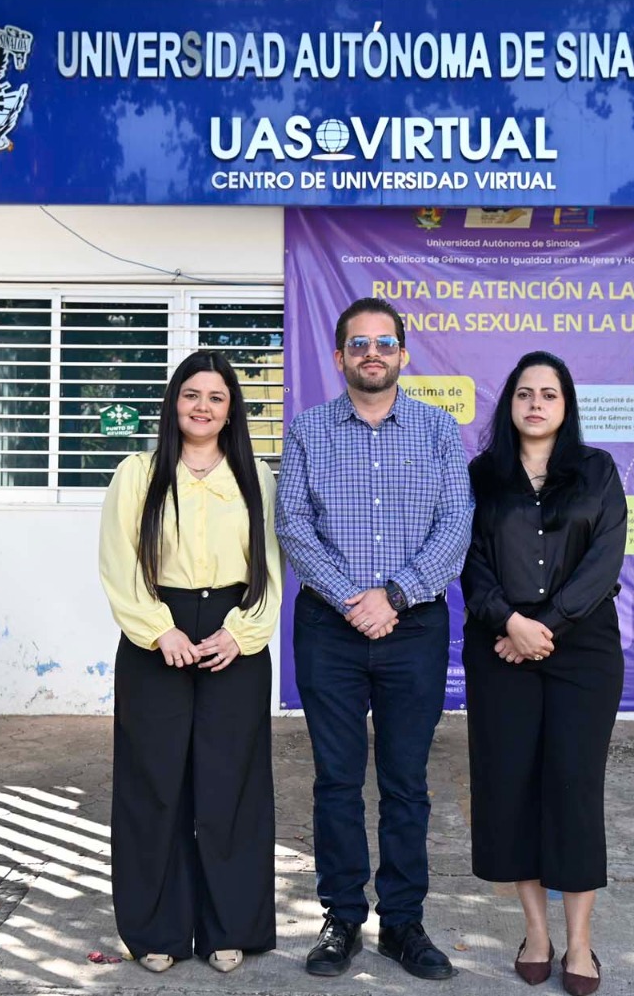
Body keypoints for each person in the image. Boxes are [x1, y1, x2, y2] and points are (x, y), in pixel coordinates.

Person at [276, 297, 473, 981]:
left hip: (413, 626)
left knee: (405, 782)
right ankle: (341, 918)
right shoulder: (308, 430)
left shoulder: (438, 429)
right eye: (358, 343)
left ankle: (403, 923)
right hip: (329, 630)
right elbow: (293, 524)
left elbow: (456, 523)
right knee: (335, 780)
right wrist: (353, 601)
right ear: (339, 357)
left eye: (384, 343)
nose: (372, 353)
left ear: (402, 355)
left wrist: (393, 595)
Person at [98, 350, 282, 975]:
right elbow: (119, 561)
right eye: (191, 395)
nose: (203, 407)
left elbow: (271, 566)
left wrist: (242, 633)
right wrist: (158, 631)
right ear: (174, 402)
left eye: (216, 397)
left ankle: (231, 926)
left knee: (232, 783)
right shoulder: (138, 474)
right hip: (158, 634)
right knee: (155, 784)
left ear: (232, 410)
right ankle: (157, 929)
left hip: (233, 635)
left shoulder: (255, 477)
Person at [459, 352, 629, 996]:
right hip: (499, 650)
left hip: (582, 650)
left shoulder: (597, 470)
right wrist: (509, 623)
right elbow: (468, 559)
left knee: (573, 788)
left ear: (566, 405)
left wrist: (541, 627)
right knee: (511, 789)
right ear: (509, 404)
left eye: (549, 394)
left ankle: (580, 942)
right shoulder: (482, 476)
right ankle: (535, 933)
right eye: (525, 393)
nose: (536, 404)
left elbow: (603, 561)